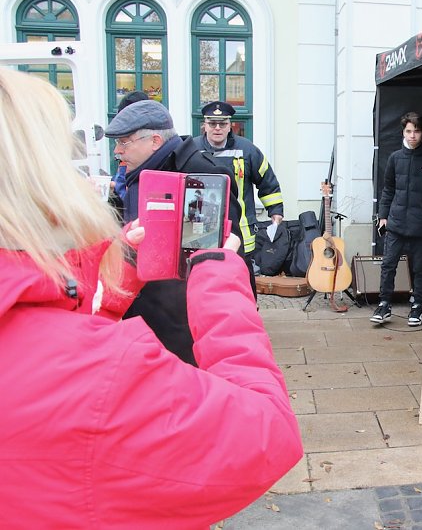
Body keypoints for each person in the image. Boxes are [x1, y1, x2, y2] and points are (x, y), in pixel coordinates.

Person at [0, 67, 302, 525]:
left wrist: (117, 265)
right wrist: (216, 277)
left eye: (122, 143)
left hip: (180, 303)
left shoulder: (210, 161)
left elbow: (255, 193)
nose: (112, 155)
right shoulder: (101, 368)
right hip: (182, 304)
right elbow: (266, 432)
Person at [107, 100, 244, 365]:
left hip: (179, 318)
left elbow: (222, 248)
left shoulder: (202, 172)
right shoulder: (140, 170)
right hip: (144, 312)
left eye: (124, 142)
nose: (117, 151)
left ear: (155, 140)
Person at [371, 112, 422, 326]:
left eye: (416, 131)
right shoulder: (395, 158)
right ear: (403, 133)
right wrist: (384, 216)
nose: (412, 135)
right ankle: (384, 304)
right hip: (396, 224)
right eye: (408, 131)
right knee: (388, 265)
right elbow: (387, 189)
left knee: (420, 269)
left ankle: (416, 307)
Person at [194, 101, 284, 258]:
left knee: (240, 276)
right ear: (205, 125)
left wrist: (275, 210)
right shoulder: (192, 149)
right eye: (212, 123)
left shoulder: (247, 149)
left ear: (230, 126)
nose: (217, 128)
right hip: (201, 228)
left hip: (240, 229)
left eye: (222, 124)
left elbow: (266, 180)